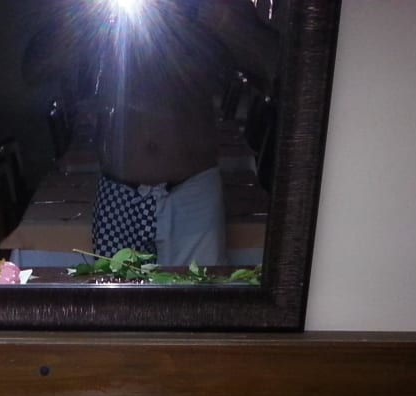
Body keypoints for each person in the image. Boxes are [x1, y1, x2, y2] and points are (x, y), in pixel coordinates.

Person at [28, 0, 279, 267]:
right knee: (118, 292)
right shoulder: (101, 11)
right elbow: (34, 70)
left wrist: (214, 14)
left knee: (199, 293)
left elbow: (277, 67)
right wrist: (85, 13)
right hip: (118, 195)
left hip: (193, 195)